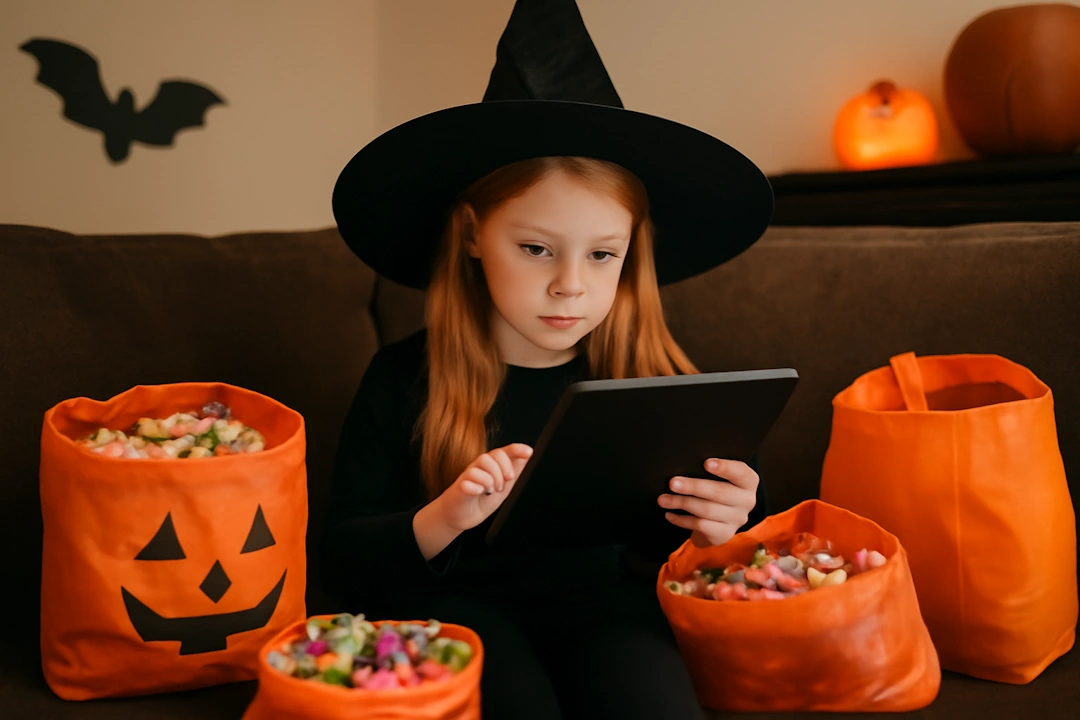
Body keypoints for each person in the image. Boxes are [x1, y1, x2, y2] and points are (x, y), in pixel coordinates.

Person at [320, 1, 773, 717]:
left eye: (602, 255)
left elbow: (692, 546)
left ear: (631, 254)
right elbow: (341, 557)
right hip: (451, 608)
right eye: (536, 249)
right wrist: (447, 515)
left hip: (606, 606)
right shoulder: (403, 378)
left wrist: (727, 525)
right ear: (473, 235)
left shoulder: (653, 384)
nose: (570, 283)